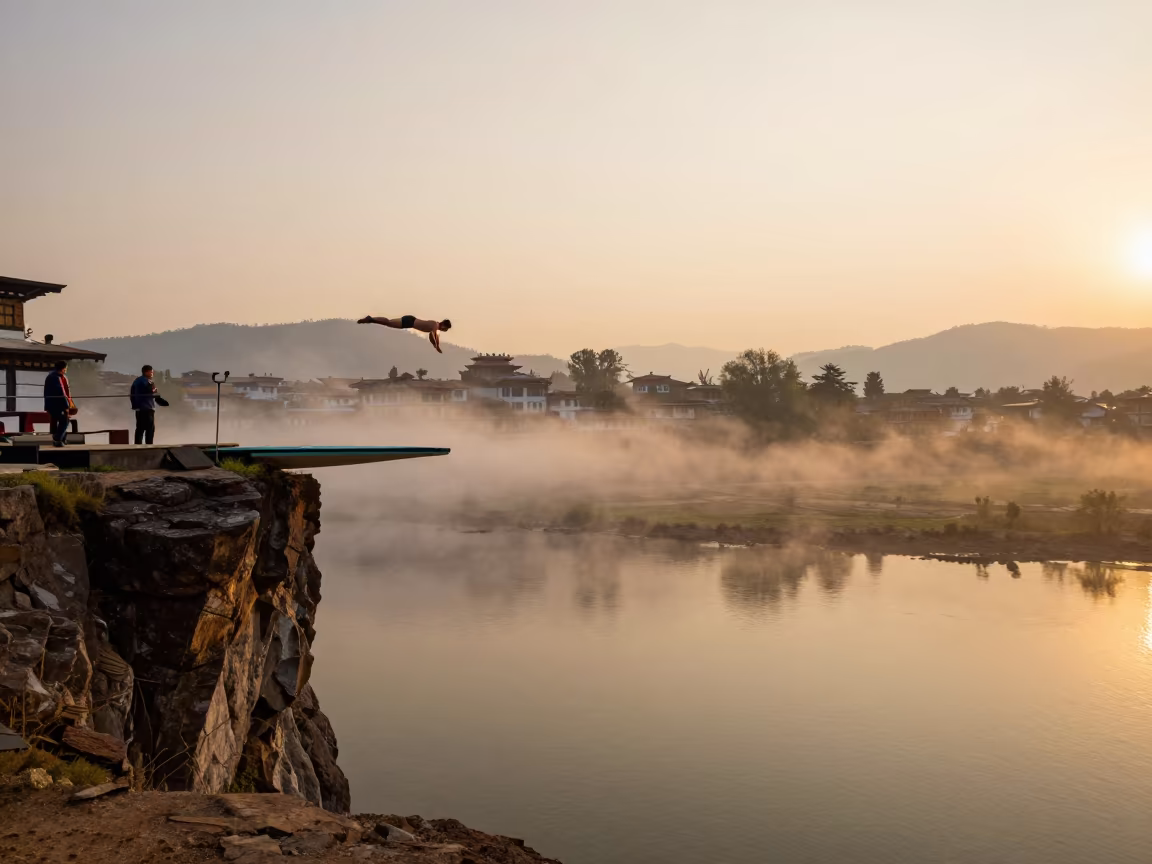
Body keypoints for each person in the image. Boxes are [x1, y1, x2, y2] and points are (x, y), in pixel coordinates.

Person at [357, 315, 452, 354]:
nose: (445, 331)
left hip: (410, 321)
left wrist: (436, 346)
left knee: (388, 322)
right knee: (388, 323)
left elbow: (434, 337)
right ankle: (371, 319)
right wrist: (436, 346)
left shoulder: (435, 327)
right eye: (446, 329)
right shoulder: (435, 325)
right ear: (444, 326)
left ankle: (371, 320)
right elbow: (433, 334)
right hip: (410, 322)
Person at [43, 360, 74, 448]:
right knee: (64, 421)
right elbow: (61, 392)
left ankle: (62, 439)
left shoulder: (56, 376)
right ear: (63, 368)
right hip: (56, 404)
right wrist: (66, 406)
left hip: (53, 404)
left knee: (63, 420)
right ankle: (57, 438)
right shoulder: (55, 377)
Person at [130, 365, 160, 445]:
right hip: (147, 408)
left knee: (140, 428)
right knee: (150, 429)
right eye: (151, 372)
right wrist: (154, 390)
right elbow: (151, 390)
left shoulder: (136, 381)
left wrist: (134, 405)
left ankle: (137, 445)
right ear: (147, 372)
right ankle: (149, 445)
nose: (152, 373)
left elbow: (132, 394)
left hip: (139, 409)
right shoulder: (148, 381)